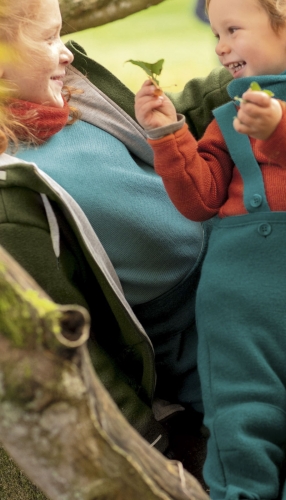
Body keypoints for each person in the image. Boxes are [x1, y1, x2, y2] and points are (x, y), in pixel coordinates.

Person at [134, 0, 286, 498]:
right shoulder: (229, 117)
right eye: (216, 33)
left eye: (232, 30)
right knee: (241, 432)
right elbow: (200, 200)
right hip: (238, 307)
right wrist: (167, 136)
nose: (220, 46)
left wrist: (282, 131)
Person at [0, 0, 232, 466]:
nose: (64, 52)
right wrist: (145, 448)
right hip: (197, 335)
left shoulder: (70, 90)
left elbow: (162, 130)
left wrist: (272, 72)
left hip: (238, 251)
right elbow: (72, 348)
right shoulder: (12, 195)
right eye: (48, 39)